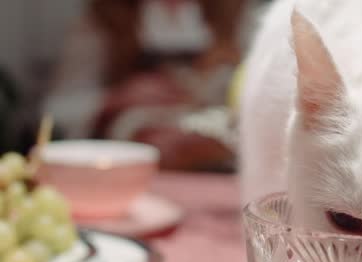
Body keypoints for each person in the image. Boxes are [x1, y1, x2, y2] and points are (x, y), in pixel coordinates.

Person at [44, 0, 255, 171]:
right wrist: (117, 98)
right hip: (131, 166)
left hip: (218, 159)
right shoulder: (103, 16)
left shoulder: (240, 14)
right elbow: (57, 110)